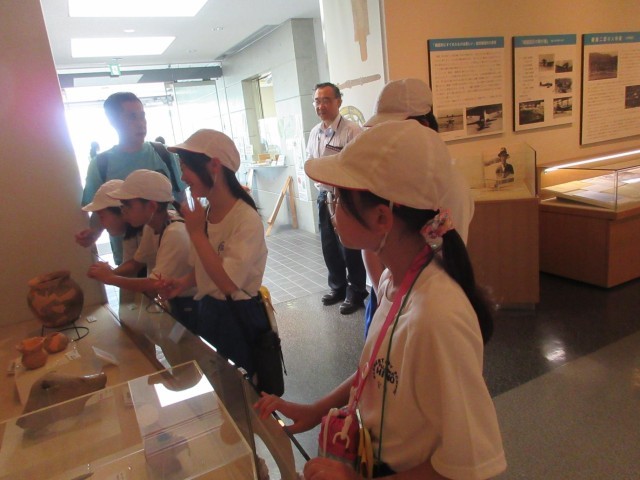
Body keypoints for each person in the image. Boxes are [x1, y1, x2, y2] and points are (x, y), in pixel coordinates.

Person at [255, 121, 505, 480]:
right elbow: (378, 371)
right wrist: (317, 409)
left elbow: (467, 464)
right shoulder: (393, 279)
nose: (333, 209)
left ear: (381, 217)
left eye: (339, 199)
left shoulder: (437, 317)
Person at [362, 78, 475, 337]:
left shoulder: (447, 185)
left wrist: (392, 303)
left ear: (424, 126)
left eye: (394, 129)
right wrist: (383, 295)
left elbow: (442, 258)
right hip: (393, 293)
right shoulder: (402, 174)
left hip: (416, 304)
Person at [159, 129, 270, 378]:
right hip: (210, 311)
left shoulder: (245, 218)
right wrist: (182, 283)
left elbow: (228, 283)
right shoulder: (207, 212)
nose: (183, 176)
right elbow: (205, 267)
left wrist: (196, 233)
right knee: (215, 380)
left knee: (240, 387)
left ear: (215, 166)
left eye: (186, 167)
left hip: (238, 318)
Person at [77, 92, 185, 265]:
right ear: (113, 121)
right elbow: (99, 209)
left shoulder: (164, 153)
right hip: (128, 258)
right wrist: (93, 234)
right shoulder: (101, 164)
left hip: (171, 251)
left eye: (142, 116)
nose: (141, 123)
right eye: (132, 117)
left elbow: (181, 200)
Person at [87, 170, 198, 333]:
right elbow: (137, 262)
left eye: (127, 205)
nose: (123, 211)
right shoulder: (151, 226)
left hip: (191, 305)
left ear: (151, 206)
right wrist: (109, 273)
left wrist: (110, 278)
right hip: (177, 303)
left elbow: (153, 283)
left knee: (186, 346)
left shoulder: (175, 233)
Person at [307, 82, 368, 315]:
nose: (321, 105)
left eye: (326, 100)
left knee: (349, 246)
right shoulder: (315, 132)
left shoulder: (352, 131)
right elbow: (311, 161)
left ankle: (357, 291)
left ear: (338, 102)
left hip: (346, 196)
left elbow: (360, 165)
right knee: (329, 246)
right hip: (324, 195)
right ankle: (338, 287)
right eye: (317, 101)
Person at [80, 179, 142, 264]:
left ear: (122, 211)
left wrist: (109, 272)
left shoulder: (149, 232)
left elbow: (136, 265)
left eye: (102, 217)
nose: (101, 224)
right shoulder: (130, 235)